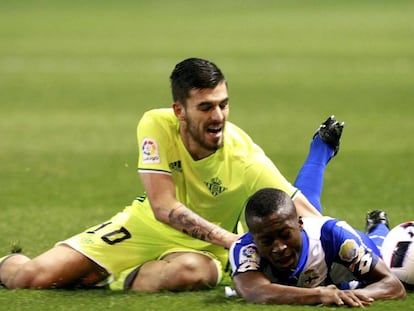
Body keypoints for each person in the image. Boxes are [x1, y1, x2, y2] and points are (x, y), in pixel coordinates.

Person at [0, 57, 328, 292]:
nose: (218, 117)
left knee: (191, 273)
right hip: (146, 224)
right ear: (178, 111)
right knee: (31, 278)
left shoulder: (243, 156)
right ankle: (13, 263)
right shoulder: (155, 124)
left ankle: (109, 277)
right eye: (206, 107)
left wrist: (346, 247)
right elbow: (162, 207)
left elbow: (302, 212)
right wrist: (233, 241)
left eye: (223, 104)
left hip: (202, 252)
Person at [228, 189, 406, 306]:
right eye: (267, 241)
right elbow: (255, 292)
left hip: (355, 252)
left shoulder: (334, 236)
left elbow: (393, 285)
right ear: (253, 236)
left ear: (300, 223)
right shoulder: (245, 249)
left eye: (285, 234)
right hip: (327, 284)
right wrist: (320, 295)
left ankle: (378, 227)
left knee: (384, 251)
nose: (279, 247)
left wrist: (349, 295)